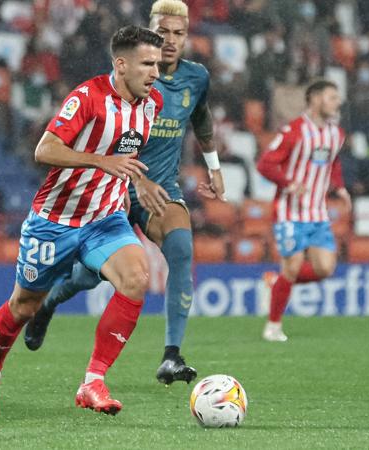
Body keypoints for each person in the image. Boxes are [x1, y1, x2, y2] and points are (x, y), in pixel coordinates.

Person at [23, 0, 226, 385]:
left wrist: (214, 166)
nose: (169, 41)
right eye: (162, 32)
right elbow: (110, 141)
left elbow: (201, 116)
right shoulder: (122, 80)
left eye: (178, 34)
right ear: (148, 32)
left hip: (159, 186)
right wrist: (134, 179)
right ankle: (48, 303)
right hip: (109, 189)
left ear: (187, 37)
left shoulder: (195, 78)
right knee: (86, 278)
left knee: (182, 249)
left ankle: (171, 355)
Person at [0, 25, 164, 424]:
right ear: (121, 64)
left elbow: (127, 158)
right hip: (55, 222)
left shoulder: (152, 104)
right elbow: (45, 149)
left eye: (158, 65)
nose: (155, 73)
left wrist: (139, 181)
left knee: (136, 278)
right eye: (147, 64)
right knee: (23, 306)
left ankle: (93, 382)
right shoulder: (88, 97)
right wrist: (100, 160)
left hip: (106, 218)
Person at [256, 79, 351, 342]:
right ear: (315, 99)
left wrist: (340, 187)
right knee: (293, 266)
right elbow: (265, 164)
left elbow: (333, 161)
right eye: (332, 97)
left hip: (318, 214)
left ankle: (277, 284)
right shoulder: (293, 131)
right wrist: (289, 184)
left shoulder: (336, 133)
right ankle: (273, 326)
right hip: (290, 213)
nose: (337, 102)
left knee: (324, 269)